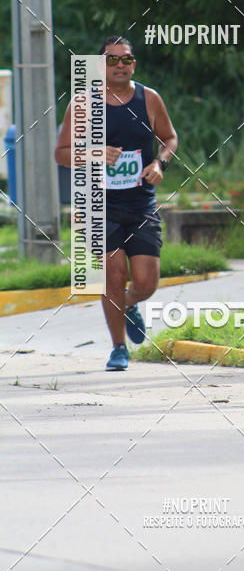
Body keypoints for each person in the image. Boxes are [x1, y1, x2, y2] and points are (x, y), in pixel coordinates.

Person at [55, 36, 178, 371]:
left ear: (133, 63)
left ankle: (129, 304)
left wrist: (159, 164)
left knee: (145, 281)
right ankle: (118, 347)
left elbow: (169, 138)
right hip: (98, 205)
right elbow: (61, 154)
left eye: (126, 59)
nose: (120, 65)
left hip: (140, 203)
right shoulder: (82, 104)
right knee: (113, 274)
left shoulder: (149, 99)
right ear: (100, 66)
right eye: (112, 60)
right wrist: (95, 153)